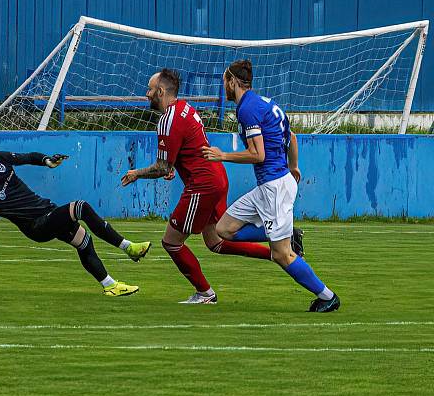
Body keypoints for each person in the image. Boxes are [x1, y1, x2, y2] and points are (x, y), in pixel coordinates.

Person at [121, 69, 299, 304]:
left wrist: (137, 173)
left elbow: (162, 167)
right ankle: (279, 248)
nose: (147, 94)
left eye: (150, 90)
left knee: (171, 242)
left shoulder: (167, 119)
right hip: (216, 178)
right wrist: (172, 166)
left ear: (161, 91)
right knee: (216, 241)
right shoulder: (186, 109)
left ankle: (205, 293)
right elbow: (186, 150)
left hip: (202, 184)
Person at [202, 59, 340, 312]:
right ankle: (287, 234)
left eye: (225, 82)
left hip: (274, 188)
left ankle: (327, 296)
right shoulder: (265, 104)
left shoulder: (247, 110)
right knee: (224, 229)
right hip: (270, 186)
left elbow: (258, 155)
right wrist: (294, 166)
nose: (224, 88)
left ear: (233, 81)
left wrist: (222, 156)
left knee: (281, 255)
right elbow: (293, 137)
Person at [0, 144, 151, 296]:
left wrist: (46, 160)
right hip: (36, 226)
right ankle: (128, 247)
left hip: (48, 211)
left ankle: (110, 286)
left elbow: (27, 157)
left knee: (84, 241)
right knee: (80, 207)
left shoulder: (0, 159)